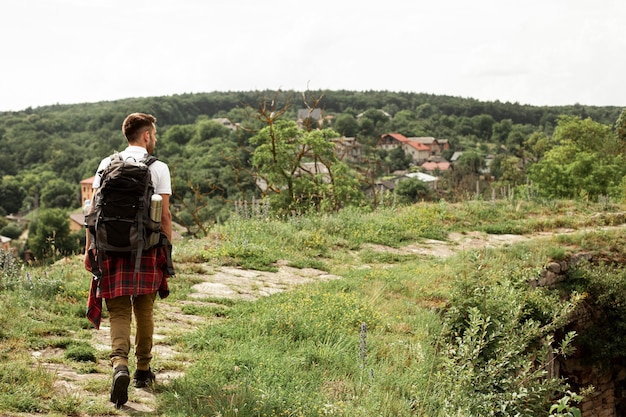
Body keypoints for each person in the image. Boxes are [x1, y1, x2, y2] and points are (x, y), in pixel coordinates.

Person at [84, 112, 173, 408]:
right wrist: (166, 251)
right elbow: (166, 216)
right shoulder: (158, 167)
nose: (155, 139)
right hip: (145, 249)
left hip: (109, 247)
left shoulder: (106, 165)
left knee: (119, 311)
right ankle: (143, 371)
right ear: (146, 136)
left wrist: (90, 249)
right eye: (154, 134)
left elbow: (93, 212)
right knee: (144, 310)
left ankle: (119, 364)